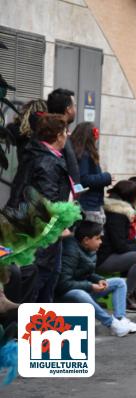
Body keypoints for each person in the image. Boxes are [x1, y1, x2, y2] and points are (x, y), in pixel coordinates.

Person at [8, 114, 74, 302]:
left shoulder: (36, 155)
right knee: (40, 286)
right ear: (58, 135)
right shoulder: (48, 162)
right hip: (42, 238)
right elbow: (47, 203)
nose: (67, 136)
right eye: (65, 132)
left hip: (33, 234)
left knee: (38, 284)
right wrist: (58, 228)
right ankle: (32, 329)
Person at [55, 220, 136, 337]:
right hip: (66, 296)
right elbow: (63, 283)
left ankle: (121, 320)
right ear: (86, 240)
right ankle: (112, 324)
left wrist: (98, 280)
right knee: (80, 294)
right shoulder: (70, 251)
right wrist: (90, 286)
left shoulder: (89, 249)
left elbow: (87, 273)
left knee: (119, 283)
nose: (101, 242)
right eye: (97, 238)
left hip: (84, 289)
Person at [96, 180, 136, 312]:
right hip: (104, 259)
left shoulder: (115, 210)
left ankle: (134, 294)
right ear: (129, 197)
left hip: (108, 254)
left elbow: (122, 242)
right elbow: (120, 245)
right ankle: (125, 297)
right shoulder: (117, 214)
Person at [71, 122, 112, 224]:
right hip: (89, 204)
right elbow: (84, 179)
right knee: (92, 235)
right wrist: (106, 177)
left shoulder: (78, 152)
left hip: (87, 202)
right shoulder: (84, 155)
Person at [47, 88, 81, 186]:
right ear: (68, 110)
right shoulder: (56, 136)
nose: (75, 109)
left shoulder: (48, 132)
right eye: (74, 105)